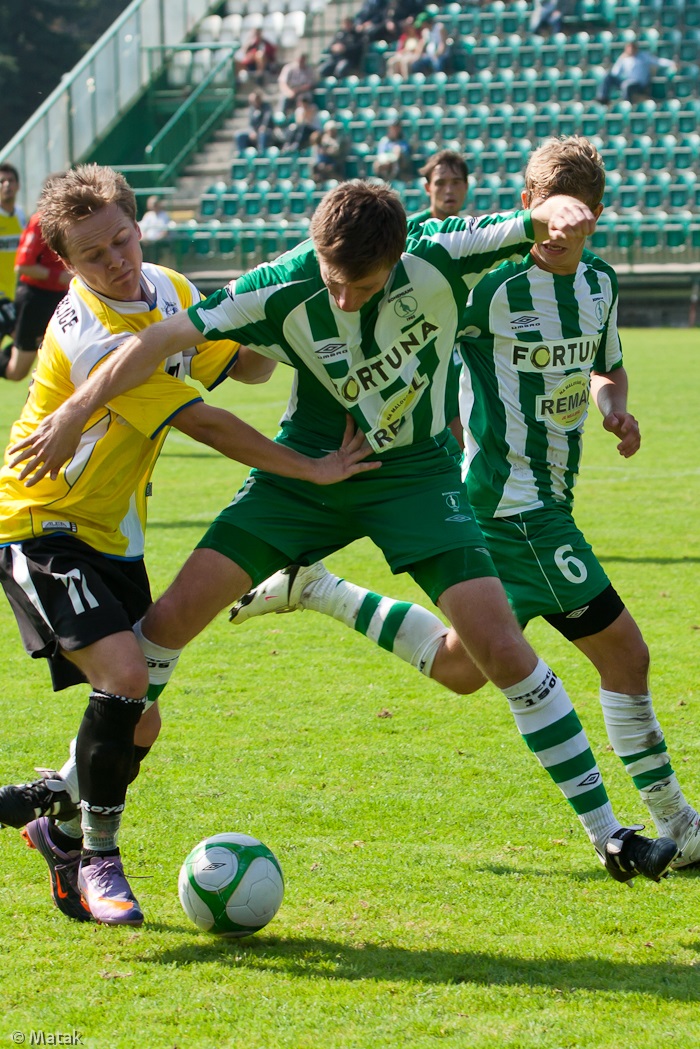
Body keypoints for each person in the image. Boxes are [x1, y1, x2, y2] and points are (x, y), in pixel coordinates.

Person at [8, 179, 680, 890]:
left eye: (360, 286)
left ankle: (610, 835)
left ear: (398, 255)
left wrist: (561, 213)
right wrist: (77, 408)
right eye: (332, 281)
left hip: (415, 477)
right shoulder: (284, 281)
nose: (343, 300)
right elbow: (162, 342)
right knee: (170, 620)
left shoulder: (442, 252)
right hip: (305, 472)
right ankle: (73, 788)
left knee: (499, 648)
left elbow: (531, 220)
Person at [228, 138, 700, 874]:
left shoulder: (600, 285)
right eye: (548, 221)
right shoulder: (489, 285)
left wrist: (616, 408)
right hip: (513, 504)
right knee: (625, 653)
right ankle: (679, 825)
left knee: (461, 666)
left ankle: (315, 587)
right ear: (528, 208)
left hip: (546, 498)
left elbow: (607, 366)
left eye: (577, 225)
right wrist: (431, 411)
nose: (562, 237)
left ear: (595, 219)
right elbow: (419, 332)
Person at [0, 165, 377, 927]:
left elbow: (244, 365)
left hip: (114, 532)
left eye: (124, 238)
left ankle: (54, 817)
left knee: (140, 720)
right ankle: (100, 854)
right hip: (39, 522)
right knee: (128, 673)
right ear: (67, 267)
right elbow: (203, 421)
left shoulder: (166, 287)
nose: (117, 260)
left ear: (139, 224)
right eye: (95, 255)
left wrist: (261, 312)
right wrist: (310, 467)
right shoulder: (98, 333)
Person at [0, 201, 71, 382]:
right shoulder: (40, 220)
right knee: (17, 372)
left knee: (65, 354)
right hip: (36, 298)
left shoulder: (19, 215)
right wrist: (58, 276)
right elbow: (23, 266)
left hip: (62, 297)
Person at [596, 40, 676, 105]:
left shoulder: (644, 56)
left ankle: (626, 104)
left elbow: (658, 61)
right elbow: (615, 73)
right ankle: (603, 99)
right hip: (626, 81)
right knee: (608, 76)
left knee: (627, 85)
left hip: (639, 84)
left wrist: (672, 63)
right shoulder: (624, 59)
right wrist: (620, 59)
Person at [410, 11, 453, 76]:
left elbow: (442, 45)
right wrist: (417, 55)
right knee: (416, 64)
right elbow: (422, 44)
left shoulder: (439, 28)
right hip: (429, 56)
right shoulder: (425, 31)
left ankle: (438, 79)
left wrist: (436, 55)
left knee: (436, 62)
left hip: (441, 55)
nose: (421, 26)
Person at [234, 90, 277, 155]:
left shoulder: (266, 107)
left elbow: (267, 119)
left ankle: (261, 154)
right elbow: (250, 123)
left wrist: (263, 127)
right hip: (255, 132)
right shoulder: (252, 109)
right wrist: (252, 131)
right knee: (239, 135)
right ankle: (241, 154)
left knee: (262, 134)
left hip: (266, 132)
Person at [277, 53, 317, 117]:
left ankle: (305, 119)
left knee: (306, 98)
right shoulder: (289, 68)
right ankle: (281, 119)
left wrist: (297, 90)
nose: (301, 61)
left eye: (303, 59)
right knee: (284, 98)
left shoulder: (309, 69)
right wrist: (289, 92)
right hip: (290, 91)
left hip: (303, 92)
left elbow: (310, 84)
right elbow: (282, 82)